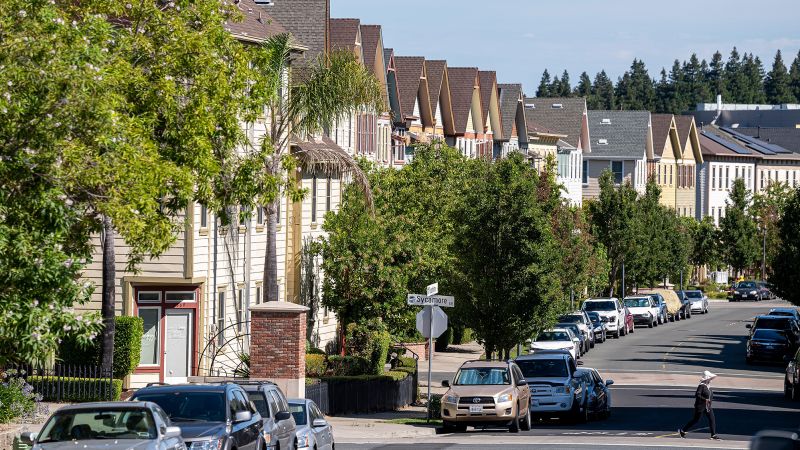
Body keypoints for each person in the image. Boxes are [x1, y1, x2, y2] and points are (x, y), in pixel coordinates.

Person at [679, 370, 719, 440]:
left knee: (712, 419)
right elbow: (697, 394)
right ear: (707, 378)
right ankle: (683, 431)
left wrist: (708, 402)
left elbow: (709, 395)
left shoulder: (708, 386)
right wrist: (705, 399)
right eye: (710, 378)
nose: (711, 380)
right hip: (700, 406)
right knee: (696, 420)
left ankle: (713, 434)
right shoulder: (701, 386)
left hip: (707, 406)